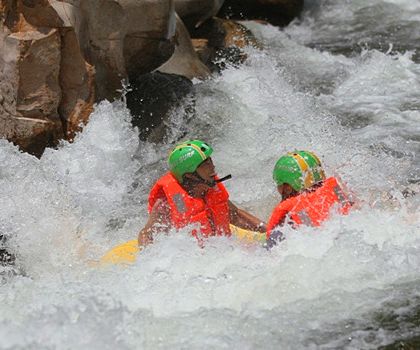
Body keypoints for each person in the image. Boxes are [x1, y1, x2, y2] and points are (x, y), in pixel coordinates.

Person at [138, 140, 266, 246]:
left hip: (221, 253)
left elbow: (235, 216)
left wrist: (268, 230)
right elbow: (146, 234)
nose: (212, 165)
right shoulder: (166, 204)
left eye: (210, 160)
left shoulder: (210, 188)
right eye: (204, 163)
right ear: (189, 174)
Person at [266, 151, 353, 247]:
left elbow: (271, 242)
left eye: (279, 185)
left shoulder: (290, 212)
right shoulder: (336, 189)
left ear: (287, 188)